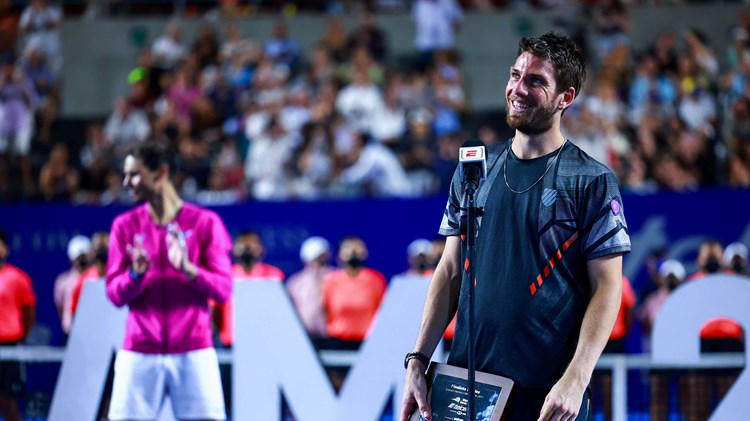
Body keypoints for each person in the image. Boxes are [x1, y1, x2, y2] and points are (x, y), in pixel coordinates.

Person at [401, 32, 631, 421]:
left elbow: (608, 288)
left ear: (566, 98)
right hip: (466, 387)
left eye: (535, 81)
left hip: (546, 396)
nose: (517, 89)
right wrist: (417, 359)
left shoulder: (590, 179)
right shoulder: (475, 169)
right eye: (515, 75)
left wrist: (577, 377)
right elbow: (451, 270)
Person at [105, 142, 232, 421]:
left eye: (134, 174)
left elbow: (223, 290)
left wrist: (189, 269)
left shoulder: (205, 223)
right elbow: (114, 294)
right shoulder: (124, 226)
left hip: (194, 350)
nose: (127, 182)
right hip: (139, 351)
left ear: (160, 173)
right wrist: (135, 275)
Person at [212, 229, 285, 348]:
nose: (247, 247)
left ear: (261, 249)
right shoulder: (224, 277)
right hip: (231, 343)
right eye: (242, 243)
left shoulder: (274, 275)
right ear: (234, 248)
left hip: (266, 341)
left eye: (252, 243)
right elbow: (215, 312)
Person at [322, 236, 386, 345]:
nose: (353, 251)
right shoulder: (330, 280)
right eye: (348, 247)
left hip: (367, 342)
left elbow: (382, 311)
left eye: (358, 247)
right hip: (336, 342)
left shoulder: (376, 280)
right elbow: (324, 310)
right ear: (339, 255)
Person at [0, 229, 36, 421]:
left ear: (5, 249)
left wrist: (20, 336)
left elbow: (29, 313)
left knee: (8, 401)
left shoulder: (18, 278)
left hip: (10, 349)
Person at [286, 236, 333, 340]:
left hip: (331, 337)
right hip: (303, 336)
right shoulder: (295, 282)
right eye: (314, 259)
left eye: (322, 259)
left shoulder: (336, 278)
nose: (317, 264)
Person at [53, 234, 91, 335]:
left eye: (84, 258)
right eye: (78, 258)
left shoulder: (97, 279)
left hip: (93, 330)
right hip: (70, 332)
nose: (81, 262)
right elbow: (60, 307)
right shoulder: (63, 281)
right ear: (71, 259)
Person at [70, 231, 109, 317]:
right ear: (92, 251)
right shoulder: (83, 280)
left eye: (105, 248)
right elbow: (75, 313)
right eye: (98, 248)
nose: (102, 252)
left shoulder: (120, 275)